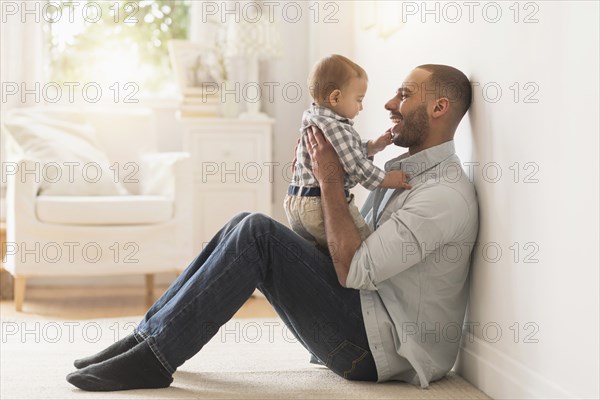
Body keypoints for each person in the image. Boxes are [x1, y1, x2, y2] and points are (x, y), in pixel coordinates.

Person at [66, 64, 478, 391]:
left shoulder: (441, 195)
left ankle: (153, 359)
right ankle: (144, 340)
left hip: (376, 351)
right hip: (367, 318)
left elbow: (353, 268)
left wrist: (330, 180)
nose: (390, 103)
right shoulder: (409, 175)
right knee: (244, 223)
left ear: (439, 108)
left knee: (258, 234)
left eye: (404, 95)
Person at [285, 54, 411, 248]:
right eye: (359, 100)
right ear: (336, 97)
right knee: (364, 247)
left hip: (297, 201)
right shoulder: (336, 127)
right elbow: (355, 165)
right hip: (317, 204)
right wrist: (387, 180)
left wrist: (373, 146)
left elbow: (343, 152)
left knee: (319, 255)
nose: (361, 107)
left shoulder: (314, 117)